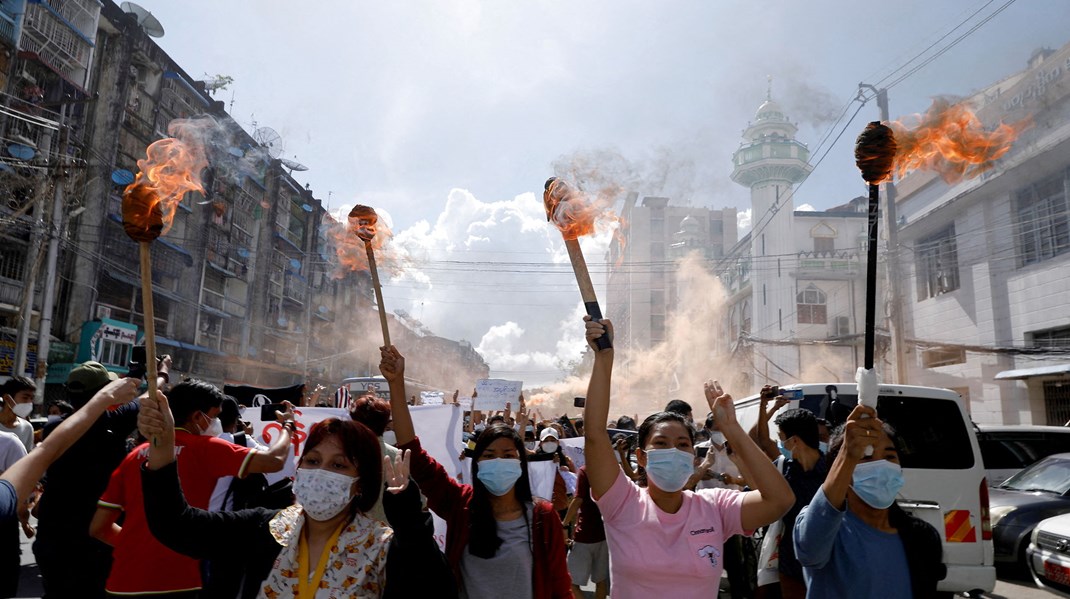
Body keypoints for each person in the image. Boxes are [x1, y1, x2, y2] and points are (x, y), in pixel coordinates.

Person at [136, 391, 446, 599]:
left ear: (361, 483)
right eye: (312, 461)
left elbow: (435, 587)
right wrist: (162, 448)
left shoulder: (381, 546)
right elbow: (176, 525)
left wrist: (411, 523)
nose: (321, 472)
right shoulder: (265, 528)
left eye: (339, 465)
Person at [582, 317, 794, 599]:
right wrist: (604, 359)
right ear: (641, 457)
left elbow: (780, 500)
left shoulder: (715, 507)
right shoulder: (622, 502)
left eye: (683, 444)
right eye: (660, 443)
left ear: (694, 456)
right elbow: (595, 434)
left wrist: (731, 428)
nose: (673, 450)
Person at [381, 345, 572, 598]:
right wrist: (396, 384)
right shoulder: (460, 505)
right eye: (489, 456)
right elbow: (412, 451)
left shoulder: (543, 517)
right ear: (477, 463)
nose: (499, 462)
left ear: (521, 464)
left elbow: (559, 585)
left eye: (508, 455)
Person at [89, 380, 293, 597]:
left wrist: (137, 547)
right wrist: (288, 426)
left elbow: (98, 528)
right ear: (197, 417)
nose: (216, 423)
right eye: (214, 416)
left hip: (123, 580)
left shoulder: (133, 456)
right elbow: (274, 460)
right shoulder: (205, 448)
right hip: (178, 579)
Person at [794, 405, 945, 598]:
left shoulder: (921, 537)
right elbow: (809, 549)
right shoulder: (828, 532)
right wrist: (848, 454)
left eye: (890, 456)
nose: (881, 465)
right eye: (865, 456)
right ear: (842, 469)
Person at [33, 361, 154, 599]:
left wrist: (137, 372)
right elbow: (147, 397)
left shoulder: (54, 427)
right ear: (105, 392)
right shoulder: (113, 422)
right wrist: (159, 374)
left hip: (53, 538)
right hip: (95, 540)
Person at [769, 404, 828, 599]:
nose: (779, 444)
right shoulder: (781, 468)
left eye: (781, 438)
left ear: (794, 441)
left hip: (827, 566)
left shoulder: (833, 473)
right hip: (791, 566)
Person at [349, 394, 398, 523]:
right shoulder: (398, 457)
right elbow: (420, 502)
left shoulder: (343, 456)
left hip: (349, 534)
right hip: (389, 534)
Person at [563, 466, 609, 599]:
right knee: (601, 581)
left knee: (570, 582)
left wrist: (564, 525)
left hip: (584, 536)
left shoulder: (586, 470)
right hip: (604, 535)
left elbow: (578, 500)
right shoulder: (612, 469)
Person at [0, 377, 35, 452]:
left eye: (32, 398)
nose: (29, 402)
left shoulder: (27, 428)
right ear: (7, 398)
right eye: (25, 398)